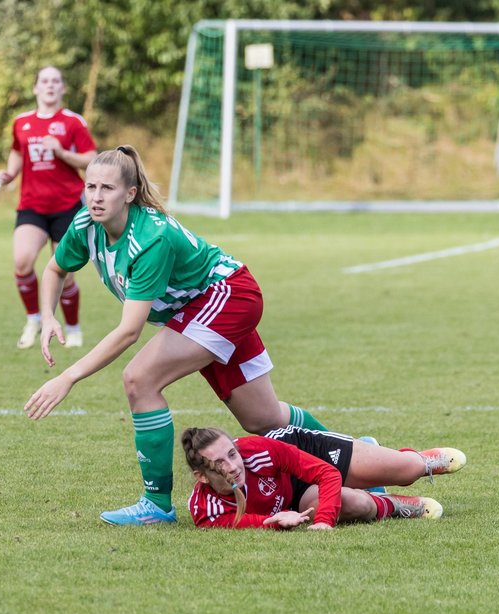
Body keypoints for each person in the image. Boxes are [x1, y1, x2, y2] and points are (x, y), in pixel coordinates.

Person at [23, 145, 335, 526]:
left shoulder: (149, 239)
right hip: (210, 303)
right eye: (90, 187)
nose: (96, 197)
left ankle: (156, 504)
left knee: (140, 378)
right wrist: (48, 315)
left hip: (227, 295)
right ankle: (348, 457)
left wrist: (68, 377)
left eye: (107, 188)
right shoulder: (86, 224)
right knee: (263, 417)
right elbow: (54, 270)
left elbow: (128, 331)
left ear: (130, 194)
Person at [0, 66, 97, 350]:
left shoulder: (73, 122)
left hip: (68, 206)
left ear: (63, 88)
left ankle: (73, 327)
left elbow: (92, 158)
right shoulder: (22, 122)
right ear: (35, 87)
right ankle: (33, 319)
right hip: (32, 207)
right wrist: (9, 174)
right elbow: (16, 152)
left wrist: (62, 153)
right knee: (22, 261)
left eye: (56, 81)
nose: (50, 85)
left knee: (65, 271)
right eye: (44, 81)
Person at [181, 426, 467, 529]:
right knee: (356, 504)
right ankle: (392, 505)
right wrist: (276, 521)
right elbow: (244, 521)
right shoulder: (207, 511)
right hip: (296, 496)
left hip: (306, 454)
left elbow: (325, 473)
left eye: (232, 453)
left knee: (406, 471)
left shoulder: (258, 452)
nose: (233, 465)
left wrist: (323, 523)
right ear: (201, 476)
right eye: (219, 463)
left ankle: (418, 462)